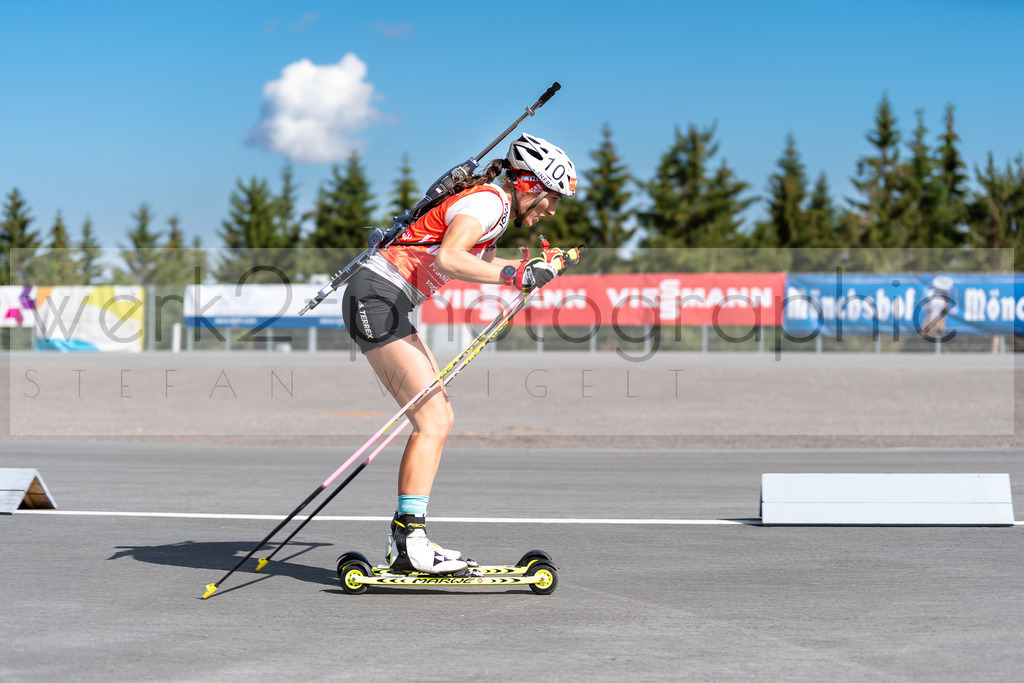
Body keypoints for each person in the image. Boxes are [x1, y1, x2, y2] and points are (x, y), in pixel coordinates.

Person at [341, 134, 579, 574]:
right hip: (376, 298)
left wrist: (533, 268)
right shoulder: (491, 202)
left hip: (384, 299)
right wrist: (517, 275)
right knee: (432, 420)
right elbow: (450, 259)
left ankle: (407, 539)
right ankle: (409, 542)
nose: (552, 210)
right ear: (529, 184)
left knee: (440, 418)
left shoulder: (493, 209)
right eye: (551, 198)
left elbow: (474, 263)